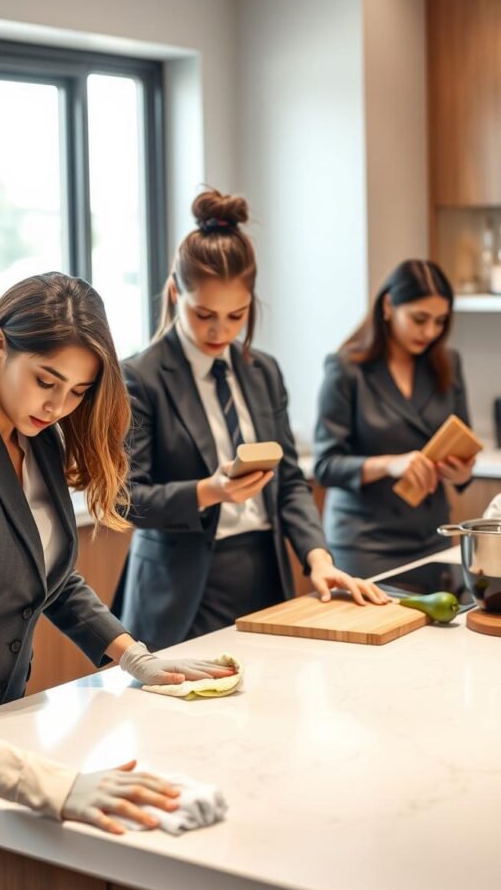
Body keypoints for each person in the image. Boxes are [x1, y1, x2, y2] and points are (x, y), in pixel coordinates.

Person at [0, 272, 233, 835]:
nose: (59, 406)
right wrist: (52, 785)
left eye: (78, 392)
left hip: (0, 721)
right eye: (47, 381)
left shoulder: (38, 440)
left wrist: (136, 657)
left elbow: (51, 578)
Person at [113, 189, 387, 649]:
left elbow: (291, 483)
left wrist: (317, 557)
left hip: (264, 574)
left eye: (236, 315)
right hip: (179, 595)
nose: (220, 331)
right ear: (176, 293)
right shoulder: (138, 378)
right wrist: (208, 491)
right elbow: (125, 499)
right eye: (203, 315)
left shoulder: (263, 371)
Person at [314, 259, 475, 578]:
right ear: (388, 306)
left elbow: (463, 446)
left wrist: (460, 474)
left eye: (440, 321)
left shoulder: (448, 364)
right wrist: (389, 464)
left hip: (434, 535)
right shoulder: (346, 368)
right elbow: (325, 466)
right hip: (366, 543)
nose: (430, 332)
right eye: (419, 319)